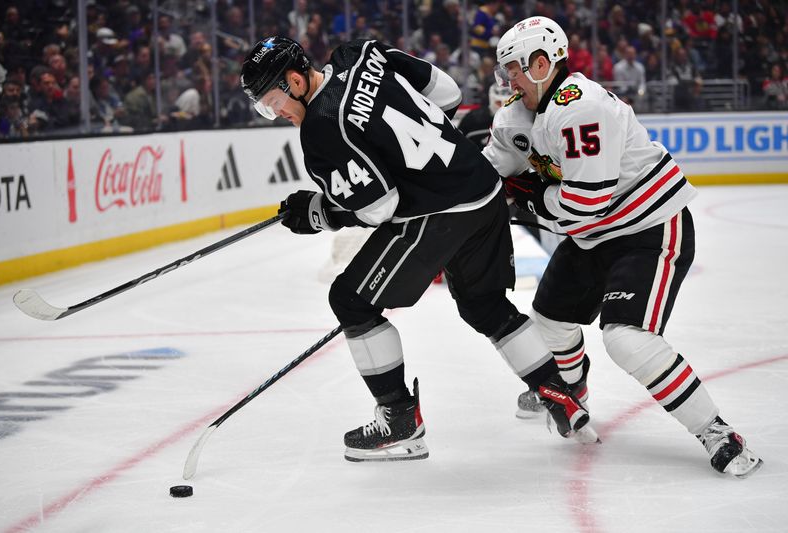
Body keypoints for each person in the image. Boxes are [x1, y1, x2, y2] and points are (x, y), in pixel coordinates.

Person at [240, 36, 596, 462]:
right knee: (485, 305)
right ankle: (561, 395)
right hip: (483, 189)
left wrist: (319, 213)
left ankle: (399, 421)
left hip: (441, 214)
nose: (275, 112)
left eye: (272, 101)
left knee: (351, 301)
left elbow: (378, 207)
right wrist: (419, 159)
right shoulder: (360, 53)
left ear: (295, 80)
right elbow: (447, 93)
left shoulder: (320, 130)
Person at [493, 16, 762, 478]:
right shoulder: (515, 117)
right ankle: (572, 393)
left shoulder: (582, 107)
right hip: (593, 236)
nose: (507, 80)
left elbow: (584, 203)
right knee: (550, 322)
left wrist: (529, 198)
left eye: (515, 69)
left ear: (541, 64)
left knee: (626, 338)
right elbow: (489, 176)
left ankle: (718, 432)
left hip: (649, 227)